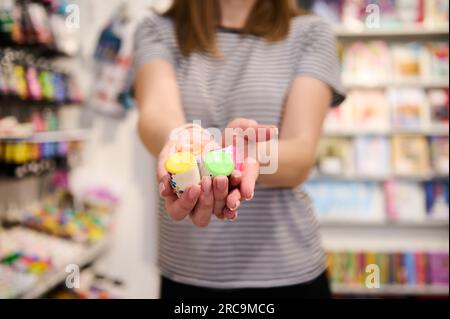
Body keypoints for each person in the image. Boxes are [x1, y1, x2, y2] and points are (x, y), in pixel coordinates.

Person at [134, 0, 345, 299]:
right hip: (187, 270)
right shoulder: (157, 29)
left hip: (284, 271)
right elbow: (155, 111)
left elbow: (301, 154)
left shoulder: (310, 33)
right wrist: (183, 138)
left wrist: (237, 158)